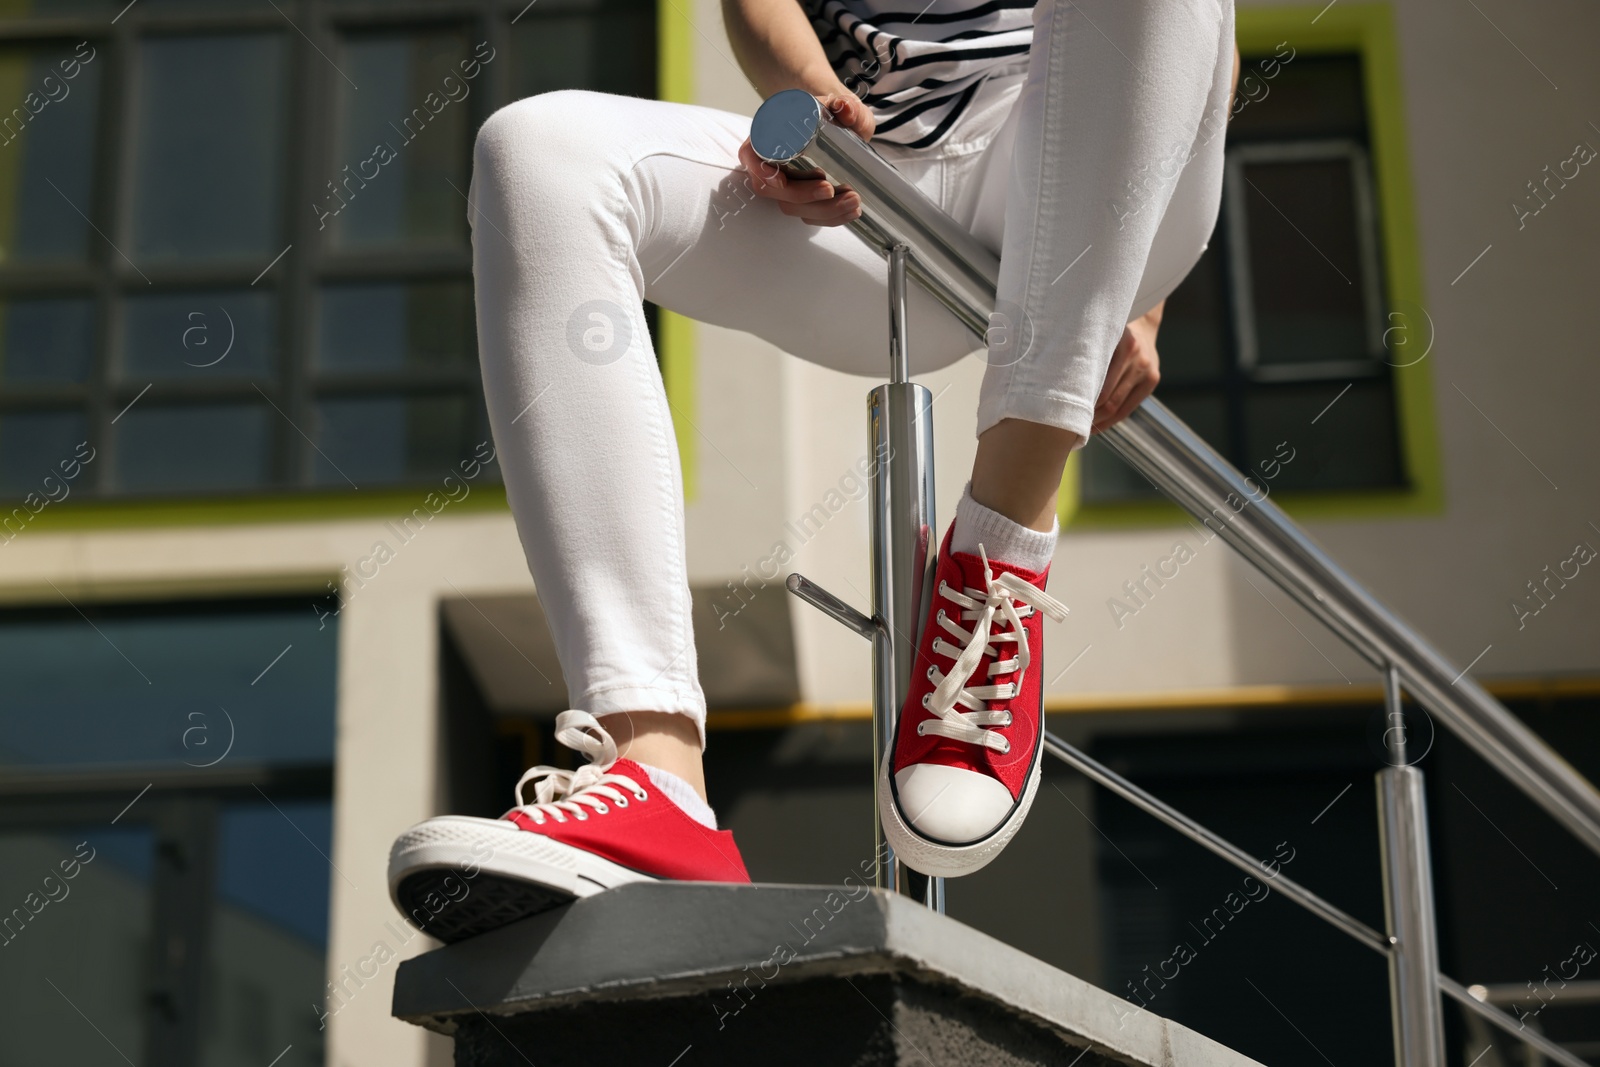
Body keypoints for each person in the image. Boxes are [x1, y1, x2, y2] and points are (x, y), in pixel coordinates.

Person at [388, 0, 1239, 940]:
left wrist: (1143, 300)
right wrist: (812, 105)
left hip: (1101, 175)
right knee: (534, 151)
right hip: (886, 182)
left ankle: (998, 550)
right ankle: (655, 772)